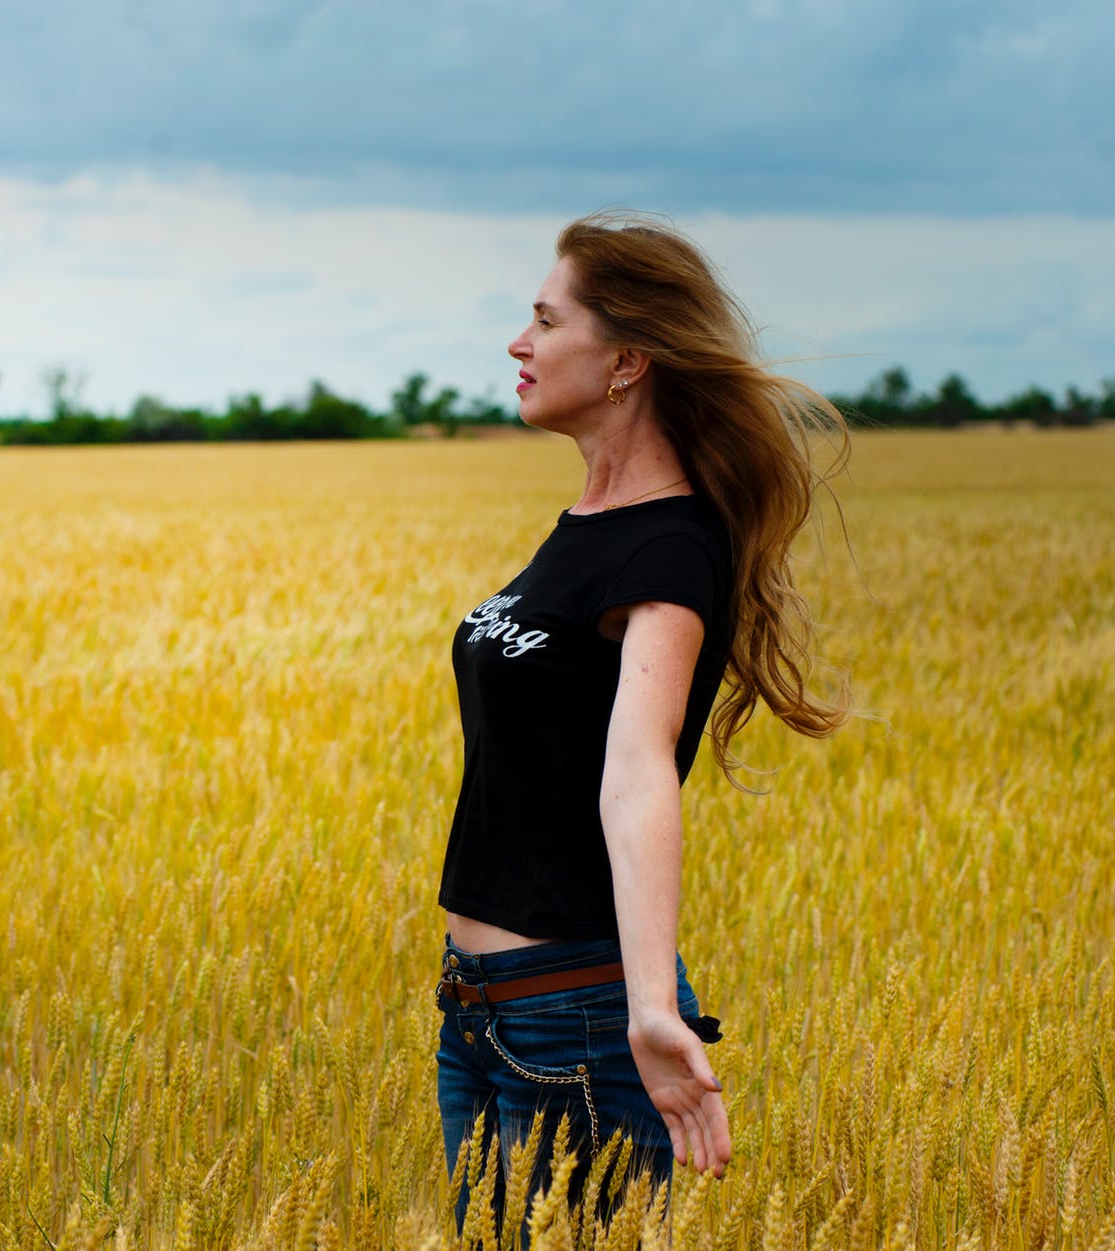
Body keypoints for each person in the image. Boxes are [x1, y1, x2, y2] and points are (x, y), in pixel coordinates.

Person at [435, 212, 849, 1232]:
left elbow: (636, 773)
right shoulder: (586, 526)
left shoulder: (667, 551)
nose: (515, 344)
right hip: (478, 1013)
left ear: (624, 359)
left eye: (542, 319)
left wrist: (651, 1005)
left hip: (573, 1013)